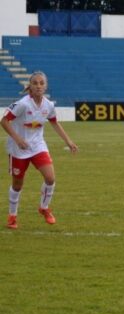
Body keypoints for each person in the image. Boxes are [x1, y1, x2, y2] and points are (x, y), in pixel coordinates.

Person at [1, 71, 78, 229]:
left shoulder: (48, 105)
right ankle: (12, 216)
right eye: (35, 83)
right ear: (30, 86)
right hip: (18, 149)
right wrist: (18, 139)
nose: (38, 86)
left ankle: (44, 208)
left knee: (50, 178)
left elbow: (55, 123)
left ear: (46, 86)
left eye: (41, 83)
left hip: (37, 146)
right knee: (17, 185)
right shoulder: (23, 104)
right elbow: (4, 121)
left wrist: (68, 141)